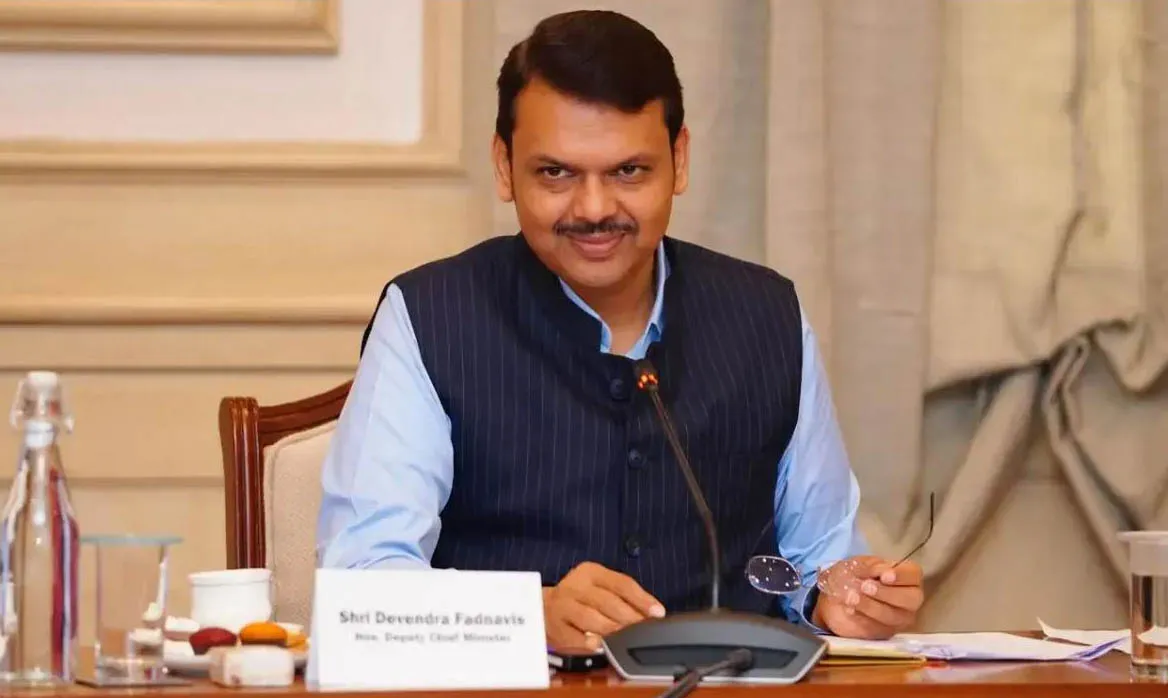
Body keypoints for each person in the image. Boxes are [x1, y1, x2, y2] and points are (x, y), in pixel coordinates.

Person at [316, 9, 924, 651]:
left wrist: (846, 600)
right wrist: (528, 615)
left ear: (679, 161)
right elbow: (361, 583)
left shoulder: (768, 314)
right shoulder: (429, 316)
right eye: (556, 173)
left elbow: (818, 564)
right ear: (503, 166)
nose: (594, 209)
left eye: (628, 172)